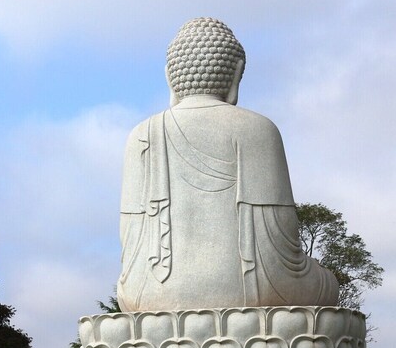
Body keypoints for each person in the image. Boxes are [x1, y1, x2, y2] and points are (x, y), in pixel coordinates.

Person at [116, 17, 337, 312]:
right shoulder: (258, 130)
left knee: (127, 297)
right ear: (235, 75)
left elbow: (131, 245)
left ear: (170, 77)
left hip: (154, 296)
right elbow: (280, 241)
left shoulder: (141, 136)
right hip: (252, 293)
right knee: (328, 285)